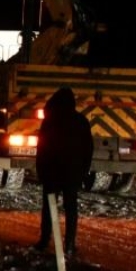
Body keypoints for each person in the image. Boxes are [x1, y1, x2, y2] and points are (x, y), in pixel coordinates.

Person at [33, 87, 94, 255]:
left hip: (52, 171)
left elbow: (42, 148)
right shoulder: (81, 121)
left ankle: (45, 240)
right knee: (71, 208)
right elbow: (88, 149)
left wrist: (41, 169)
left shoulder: (49, 121)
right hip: (72, 172)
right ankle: (69, 244)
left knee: (50, 206)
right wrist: (84, 170)